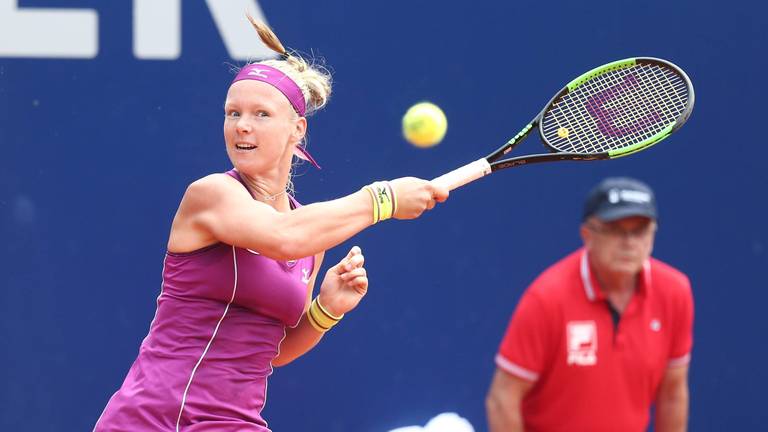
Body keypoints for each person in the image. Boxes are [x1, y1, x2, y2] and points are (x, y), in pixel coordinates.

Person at [93, 16, 448, 432]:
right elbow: (282, 238)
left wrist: (327, 310)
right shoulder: (212, 195)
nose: (242, 124)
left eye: (261, 114)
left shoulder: (309, 237)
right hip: (157, 418)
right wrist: (382, 198)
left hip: (233, 421)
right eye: (233, 113)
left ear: (297, 130)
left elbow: (270, 349)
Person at [486, 177, 693, 432]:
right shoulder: (547, 298)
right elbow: (502, 399)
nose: (629, 242)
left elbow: (672, 392)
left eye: (639, 230)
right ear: (587, 235)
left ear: (652, 235)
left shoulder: (675, 292)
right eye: (616, 229)